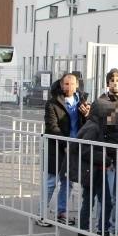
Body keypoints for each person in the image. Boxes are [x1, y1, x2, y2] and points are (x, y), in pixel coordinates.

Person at [87, 68, 118, 236]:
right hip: (107, 154)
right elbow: (98, 126)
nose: (115, 83)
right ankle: (103, 228)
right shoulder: (100, 103)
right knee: (107, 195)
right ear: (107, 83)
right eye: (111, 80)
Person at [43, 72, 89, 225]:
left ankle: (61, 212)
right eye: (66, 84)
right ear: (61, 85)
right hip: (58, 147)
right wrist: (65, 143)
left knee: (68, 181)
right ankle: (41, 214)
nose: (69, 87)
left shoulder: (82, 102)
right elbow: (51, 127)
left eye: (72, 84)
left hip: (76, 148)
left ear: (77, 85)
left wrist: (87, 114)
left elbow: (89, 124)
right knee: (52, 181)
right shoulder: (52, 103)